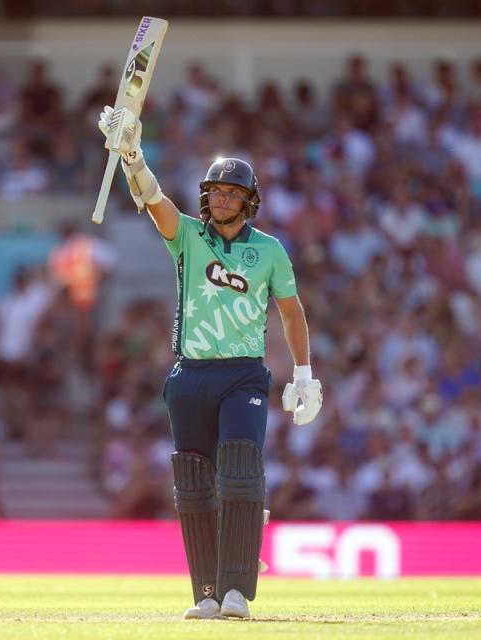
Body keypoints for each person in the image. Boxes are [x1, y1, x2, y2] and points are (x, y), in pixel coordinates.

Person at [97, 106, 323, 620]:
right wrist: (132, 154)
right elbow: (154, 200)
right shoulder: (188, 239)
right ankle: (205, 592)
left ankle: (237, 591)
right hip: (189, 375)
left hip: (243, 372)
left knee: (239, 475)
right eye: (214, 191)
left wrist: (305, 374)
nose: (219, 198)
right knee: (194, 485)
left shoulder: (268, 251)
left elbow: (291, 312)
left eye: (230, 193)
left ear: (249, 201)